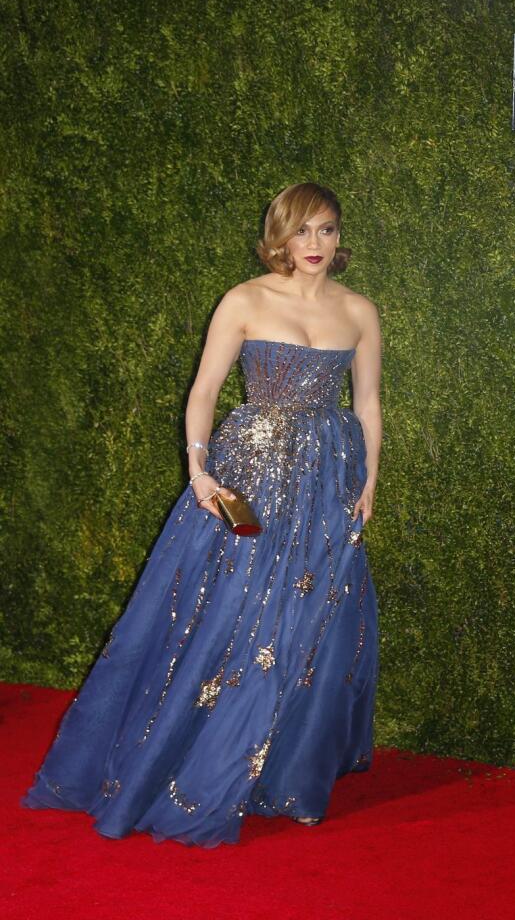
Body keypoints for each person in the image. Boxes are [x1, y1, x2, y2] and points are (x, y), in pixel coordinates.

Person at [20, 182, 382, 847]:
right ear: (279, 234)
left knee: (309, 618)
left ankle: (280, 767)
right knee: (231, 610)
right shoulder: (243, 300)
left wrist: (370, 479)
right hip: (249, 473)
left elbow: (367, 405)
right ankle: (200, 761)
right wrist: (198, 469)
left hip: (327, 477)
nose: (314, 245)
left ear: (339, 238)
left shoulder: (358, 311)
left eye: (326, 231)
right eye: (301, 231)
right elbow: (205, 390)